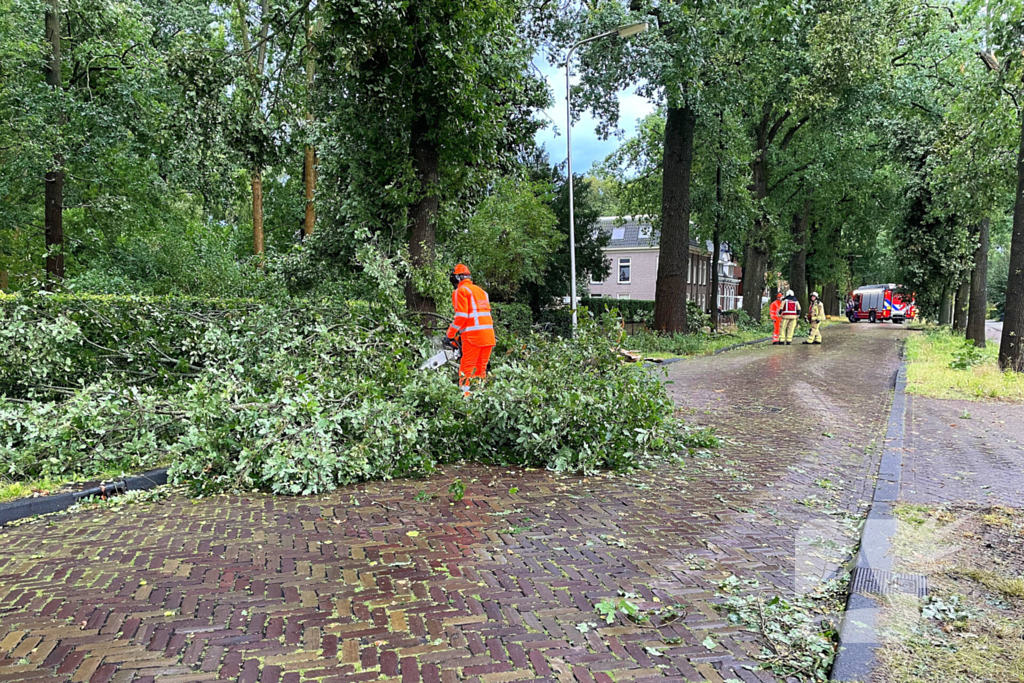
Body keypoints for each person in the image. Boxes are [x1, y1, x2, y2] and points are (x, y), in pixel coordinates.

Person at [444, 264, 495, 396]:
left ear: (456, 279)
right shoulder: (482, 292)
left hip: (473, 338)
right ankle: (480, 398)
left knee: (467, 369)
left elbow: (461, 316)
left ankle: (465, 400)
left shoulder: (460, 291)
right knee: (480, 370)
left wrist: (450, 335)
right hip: (488, 336)